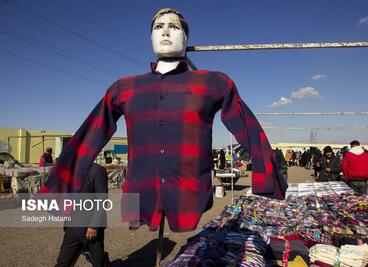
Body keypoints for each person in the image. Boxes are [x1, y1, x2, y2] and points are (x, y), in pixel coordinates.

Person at [41, 8, 287, 233]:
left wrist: (267, 183)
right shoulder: (124, 88)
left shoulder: (214, 83)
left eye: (175, 26)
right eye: (158, 26)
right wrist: (60, 191)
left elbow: (250, 130)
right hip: (141, 194)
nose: (166, 31)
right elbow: (88, 137)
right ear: (150, 37)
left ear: (186, 38)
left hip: (190, 195)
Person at [55, 163, 109, 267]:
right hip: (72, 226)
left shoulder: (97, 171)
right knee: (63, 262)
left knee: (98, 262)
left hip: (91, 230)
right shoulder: (70, 170)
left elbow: (102, 200)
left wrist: (94, 226)